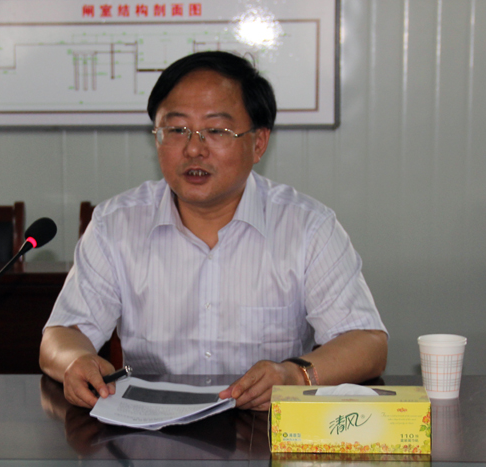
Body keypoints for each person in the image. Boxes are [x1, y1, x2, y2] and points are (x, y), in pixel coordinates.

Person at [40, 51, 388, 411]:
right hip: (152, 427)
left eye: (216, 131)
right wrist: (75, 361)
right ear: (157, 136)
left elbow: (367, 342)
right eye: (177, 130)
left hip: (262, 426)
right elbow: (61, 334)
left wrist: (294, 375)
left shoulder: (308, 227)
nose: (193, 148)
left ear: (258, 143)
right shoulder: (116, 224)